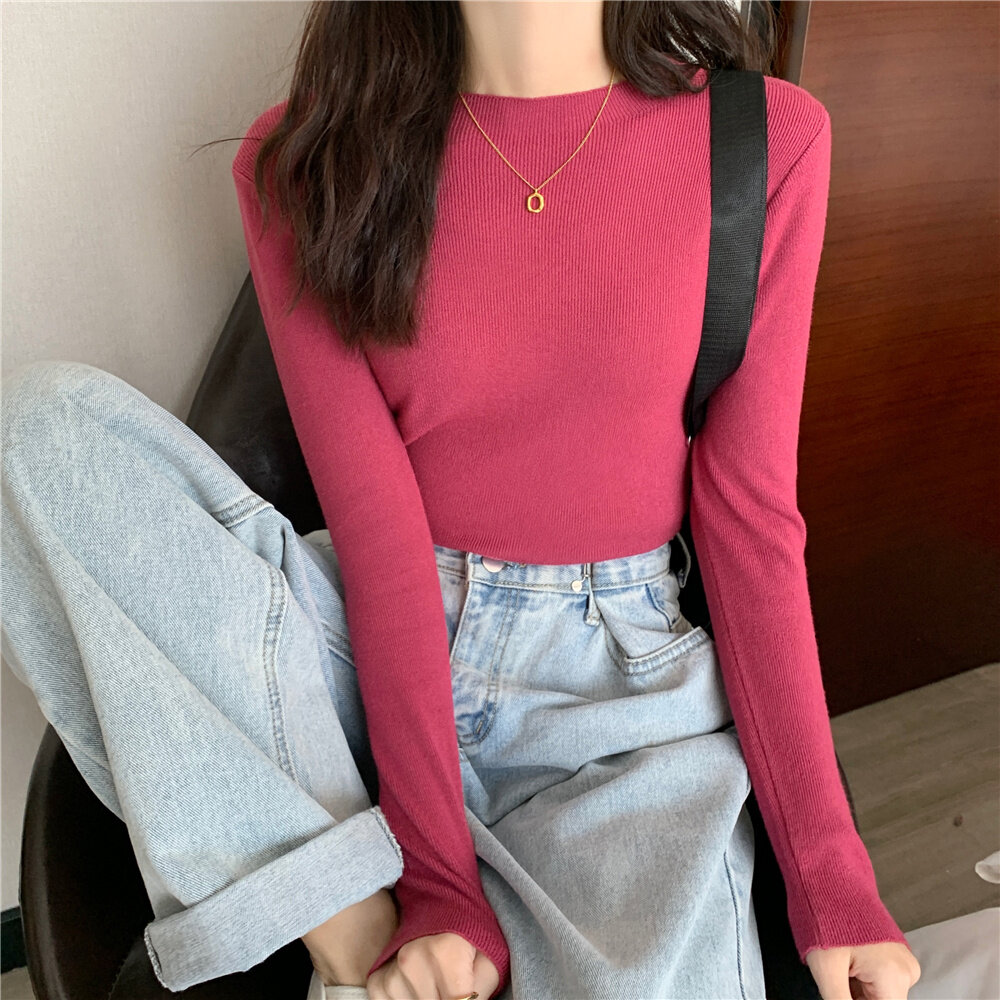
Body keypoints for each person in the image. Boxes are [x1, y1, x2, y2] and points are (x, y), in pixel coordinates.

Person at [1, 2, 923, 999]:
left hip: (618, 690)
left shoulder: (765, 142)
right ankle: (346, 918)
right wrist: (437, 878)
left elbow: (751, 521)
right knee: (43, 430)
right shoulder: (309, 159)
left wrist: (833, 881)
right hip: (365, 652)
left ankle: (364, 912)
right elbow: (376, 533)